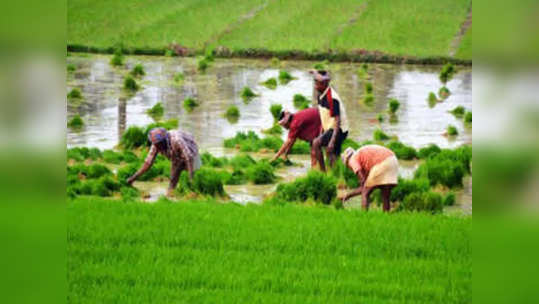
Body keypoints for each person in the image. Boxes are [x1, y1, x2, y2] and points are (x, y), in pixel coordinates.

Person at [126, 127, 201, 197]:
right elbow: (148, 163)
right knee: (173, 178)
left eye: (159, 144)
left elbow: (188, 157)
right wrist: (133, 178)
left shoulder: (177, 140)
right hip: (175, 155)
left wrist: (191, 178)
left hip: (191, 151)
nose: (157, 146)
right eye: (155, 144)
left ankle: (196, 190)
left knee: (195, 174)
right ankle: (170, 195)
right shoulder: (156, 144)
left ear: (164, 140)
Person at [310, 70, 350, 171]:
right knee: (332, 156)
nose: (315, 86)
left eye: (317, 83)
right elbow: (324, 116)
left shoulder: (332, 98)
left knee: (316, 143)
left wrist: (331, 141)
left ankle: (324, 174)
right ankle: (336, 174)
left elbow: (337, 120)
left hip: (339, 129)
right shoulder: (320, 95)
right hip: (330, 128)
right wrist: (321, 134)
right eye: (315, 83)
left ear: (324, 84)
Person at [340, 145, 399, 212]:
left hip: (382, 163)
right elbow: (367, 185)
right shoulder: (363, 157)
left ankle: (364, 216)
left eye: (348, 166)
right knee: (385, 195)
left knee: (365, 193)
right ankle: (386, 216)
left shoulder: (352, 159)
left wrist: (348, 195)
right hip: (393, 160)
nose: (350, 168)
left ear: (347, 161)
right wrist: (349, 195)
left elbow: (363, 184)